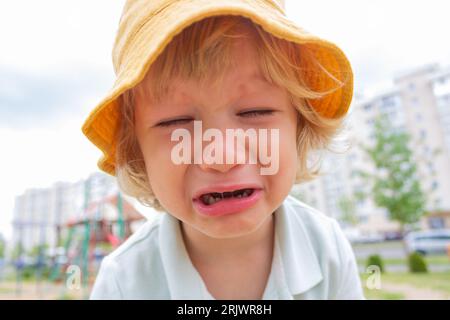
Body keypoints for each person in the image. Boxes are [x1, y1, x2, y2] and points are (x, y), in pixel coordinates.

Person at [83, 0, 364, 299]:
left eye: (254, 111)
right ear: (138, 153)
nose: (222, 156)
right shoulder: (123, 283)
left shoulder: (327, 249)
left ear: (300, 125)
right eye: (177, 122)